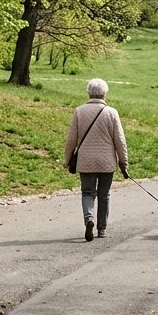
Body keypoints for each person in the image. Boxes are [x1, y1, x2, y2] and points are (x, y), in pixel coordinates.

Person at [64, 78, 129, 242]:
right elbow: (120, 141)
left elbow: (71, 139)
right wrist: (123, 162)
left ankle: (89, 218)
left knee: (87, 193)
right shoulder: (112, 113)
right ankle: (101, 229)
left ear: (89, 93)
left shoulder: (79, 111)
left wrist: (67, 159)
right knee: (104, 195)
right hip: (107, 162)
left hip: (85, 161)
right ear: (105, 94)